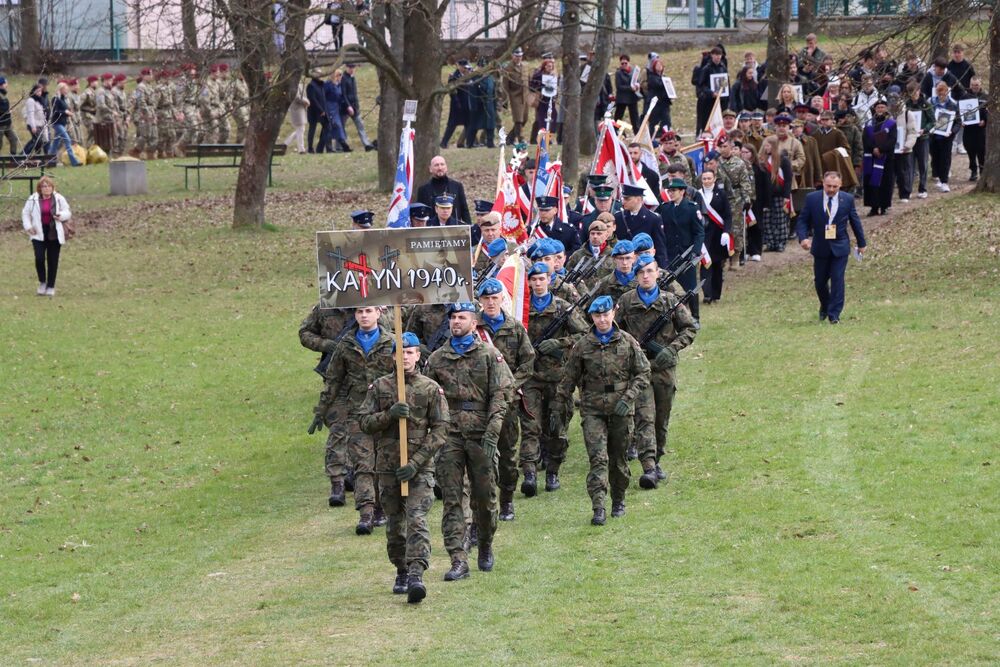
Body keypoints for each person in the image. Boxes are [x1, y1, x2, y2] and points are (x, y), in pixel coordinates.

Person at [424, 303, 513, 581]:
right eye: (452, 318)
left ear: (474, 323)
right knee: (452, 499)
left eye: (462, 317)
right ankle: (458, 558)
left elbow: (502, 393)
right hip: (449, 434)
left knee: (484, 497)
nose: (456, 322)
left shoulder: (489, 355)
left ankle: (485, 543)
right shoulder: (438, 358)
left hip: (481, 433)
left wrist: (493, 429)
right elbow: (426, 395)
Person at [359, 332, 448, 604]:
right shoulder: (381, 387)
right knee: (395, 524)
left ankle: (416, 574)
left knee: (417, 519)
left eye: (410, 352)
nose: (405, 357)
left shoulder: (430, 388)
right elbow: (364, 422)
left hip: (419, 469)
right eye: (401, 352)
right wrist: (389, 415)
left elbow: (441, 429)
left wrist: (417, 462)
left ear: (418, 355)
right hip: (388, 469)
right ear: (393, 356)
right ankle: (400, 567)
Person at [554, 295, 649, 525]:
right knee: (598, 459)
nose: (602, 319)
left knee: (618, 459)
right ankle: (598, 506)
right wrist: (558, 407)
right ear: (592, 317)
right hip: (592, 408)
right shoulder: (583, 346)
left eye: (606, 314)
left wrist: (629, 397)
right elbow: (568, 379)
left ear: (613, 313)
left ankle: (618, 498)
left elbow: (643, 373)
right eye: (597, 316)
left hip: (620, 408)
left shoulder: (627, 342)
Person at [616, 254, 696, 488]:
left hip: (664, 370)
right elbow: (615, 332)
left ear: (658, 273)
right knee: (644, 417)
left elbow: (689, 329)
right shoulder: (627, 301)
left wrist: (671, 349)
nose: (646, 276)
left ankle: (657, 457)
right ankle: (648, 466)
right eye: (641, 272)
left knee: (661, 419)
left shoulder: (670, 301)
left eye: (650, 271)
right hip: (639, 371)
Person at [312, 306, 394, 534]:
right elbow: (334, 380)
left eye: (368, 311)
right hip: (358, 412)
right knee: (362, 464)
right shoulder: (346, 345)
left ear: (379, 313)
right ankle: (366, 512)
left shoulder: (392, 344)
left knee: (384, 463)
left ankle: (382, 506)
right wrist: (322, 409)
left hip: (386, 412)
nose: (364, 316)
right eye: (359, 312)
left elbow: (405, 378)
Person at [521, 263, 588, 495]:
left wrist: (559, 344)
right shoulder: (522, 309)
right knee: (530, 427)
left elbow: (583, 334)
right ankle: (529, 473)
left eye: (542, 279)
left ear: (549, 280)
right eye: (534, 279)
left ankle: (552, 471)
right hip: (531, 377)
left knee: (556, 427)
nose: (538, 283)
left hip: (559, 378)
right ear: (528, 282)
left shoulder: (563, 308)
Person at [476, 279, 535, 522]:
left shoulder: (514, 327)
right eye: (486, 298)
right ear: (480, 301)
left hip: (507, 401)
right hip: (479, 401)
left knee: (508, 453)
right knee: (480, 454)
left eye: (494, 298)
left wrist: (511, 387)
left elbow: (528, 362)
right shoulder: (473, 326)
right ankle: (484, 503)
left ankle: (507, 500)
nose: (490, 302)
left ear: (502, 298)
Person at [796, 171, 866, 324]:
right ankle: (825, 305)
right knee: (820, 282)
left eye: (835, 186)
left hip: (840, 246)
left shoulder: (847, 199)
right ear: (823, 183)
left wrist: (862, 243)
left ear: (840, 186)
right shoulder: (812, 198)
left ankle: (834, 315)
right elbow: (802, 221)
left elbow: (855, 221)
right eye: (828, 186)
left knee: (837, 279)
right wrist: (803, 238)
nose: (832, 189)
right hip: (820, 246)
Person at [658, 178, 705, 321]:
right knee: (670, 285)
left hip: (687, 253)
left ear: (682, 191)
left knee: (690, 286)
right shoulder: (665, 208)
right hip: (671, 253)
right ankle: (673, 315)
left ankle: (695, 316)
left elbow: (699, 232)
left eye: (674, 191)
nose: (671, 193)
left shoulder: (691, 208)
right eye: (669, 191)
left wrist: (695, 251)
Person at [22, 177, 72, 297]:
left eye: (49, 186)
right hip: (38, 233)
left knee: (52, 260)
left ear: (52, 187)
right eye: (44, 186)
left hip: (54, 233)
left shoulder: (59, 198)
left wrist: (61, 215)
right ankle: (42, 283)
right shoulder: (33, 199)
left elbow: (68, 212)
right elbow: (25, 213)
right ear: (40, 188)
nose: (47, 188)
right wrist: (28, 226)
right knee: (39, 259)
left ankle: (50, 286)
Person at [698, 169, 732, 305]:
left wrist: (726, 232)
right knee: (705, 264)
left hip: (718, 234)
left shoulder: (721, 194)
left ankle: (716, 294)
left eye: (709, 178)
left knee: (717, 265)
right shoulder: (697, 194)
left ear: (714, 179)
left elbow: (728, 215)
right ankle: (707, 294)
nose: (706, 181)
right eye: (704, 178)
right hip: (704, 235)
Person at [614, 183, 668, 267]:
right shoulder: (619, 217)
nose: (623, 201)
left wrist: (662, 269)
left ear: (639, 199)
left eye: (627, 199)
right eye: (623, 198)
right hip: (625, 265)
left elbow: (660, 247)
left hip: (644, 265)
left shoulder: (653, 219)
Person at [862, 98, 897, 216]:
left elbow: (892, 140)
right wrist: (873, 149)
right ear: (875, 109)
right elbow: (865, 139)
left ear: (886, 109)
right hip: (871, 157)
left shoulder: (891, 124)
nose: (880, 109)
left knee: (885, 182)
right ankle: (873, 207)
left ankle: (884, 206)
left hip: (885, 158)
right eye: (878, 107)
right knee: (872, 183)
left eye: (882, 107)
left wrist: (881, 149)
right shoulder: (869, 124)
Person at [759, 136, 793, 252]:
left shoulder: (783, 160)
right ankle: (770, 242)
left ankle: (780, 242)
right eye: (765, 145)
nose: (765, 148)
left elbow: (788, 179)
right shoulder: (763, 160)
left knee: (780, 219)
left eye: (768, 145)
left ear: (774, 146)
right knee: (767, 220)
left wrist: (786, 196)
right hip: (766, 196)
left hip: (779, 195)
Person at [416, 155, 471, 224]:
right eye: (436, 165)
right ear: (430, 169)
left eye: (442, 164)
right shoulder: (423, 190)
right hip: (431, 230)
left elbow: (464, 210)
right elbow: (421, 215)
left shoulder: (457, 186)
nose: (440, 168)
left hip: (454, 229)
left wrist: (470, 229)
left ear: (446, 167)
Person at [929, 81, 958, 193]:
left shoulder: (953, 104)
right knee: (935, 158)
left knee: (945, 158)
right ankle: (938, 177)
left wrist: (952, 131)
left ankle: (944, 181)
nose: (941, 95)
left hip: (946, 137)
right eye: (939, 93)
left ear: (947, 92)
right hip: (934, 136)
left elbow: (958, 122)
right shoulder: (931, 103)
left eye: (944, 93)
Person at [340, 62, 375, 151]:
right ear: (346, 67)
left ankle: (367, 144)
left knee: (360, 125)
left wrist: (356, 106)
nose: (352, 69)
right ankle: (340, 146)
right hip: (345, 108)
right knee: (341, 127)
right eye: (350, 67)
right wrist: (348, 106)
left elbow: (354, 94)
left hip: (355, 107)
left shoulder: (353, 78)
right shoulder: (343, 78)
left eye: (353, 68)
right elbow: (343, 94)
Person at [48, 82, 82, 166]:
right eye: (65, 89)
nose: (67, 90)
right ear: (61, 89)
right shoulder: (55, 99)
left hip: (62, 124)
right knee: (67, 139)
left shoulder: (63, 99)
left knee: (55, 143)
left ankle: (48, 160)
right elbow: (55, 111)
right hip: (57, 123)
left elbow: (65, 108)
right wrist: (65, 112)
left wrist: (68, 111)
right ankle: (74, 161)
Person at [696, 46, 728, 133]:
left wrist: (724, 93)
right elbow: (701, 85)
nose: (718, 57)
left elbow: (725, 82)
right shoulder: (707, 68)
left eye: (719, 55)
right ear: (712, 56)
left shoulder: (723, 67)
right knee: (708, 120)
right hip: (708, 100)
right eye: (716, 55)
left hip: (721, 99)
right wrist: (711, 93)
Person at [961, 77, 988, 181]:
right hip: (968, 129)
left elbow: (990, 112)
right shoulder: (965, 96)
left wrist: (985, 121)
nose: (974, 87)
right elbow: (960, 112)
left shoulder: (986, 97)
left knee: (981, 151)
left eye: (976, 85)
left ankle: (982, 171)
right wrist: (962, 121)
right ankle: (973, 171)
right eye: (972, 85)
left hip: (981, 129)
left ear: (980, 84)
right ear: (970, 84)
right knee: (970, 151)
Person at [501, 47, 529, 142]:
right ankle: (521, 138)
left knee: (524, 119)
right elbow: (505, 86)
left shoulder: (525, 66)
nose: (518, 58)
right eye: (516, 56)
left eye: (520, 56)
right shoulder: (508, 68)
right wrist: (505, 100)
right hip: (515, 96)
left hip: (525, 96)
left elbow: (528, 81)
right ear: (512, 56)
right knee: (518, 120)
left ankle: (510, 138)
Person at [529, 54, 559, 142]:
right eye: (549, 66)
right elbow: (531, 85)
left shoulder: (554, 75)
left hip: (551, 100)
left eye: (552, 66)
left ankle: (548, 137)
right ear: (545, 66)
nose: (550, 68)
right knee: (542, 119)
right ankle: (543, 137)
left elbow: (555, 86)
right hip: (542, 100)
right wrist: (540, 87)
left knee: (552, 117)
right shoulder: (539, 75)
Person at [642, 56, 672, 135]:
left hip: (664, 104)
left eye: (660, 65)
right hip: (656, 104)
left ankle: (665, 134)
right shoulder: (652, 77)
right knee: (655, 122)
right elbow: (658, 84)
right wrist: (665, 81)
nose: (659, 66)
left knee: (666, 121)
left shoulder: (664, 77)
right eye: (657, 65)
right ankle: (654, 137)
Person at [323, 69, 351, 153]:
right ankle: (331, 147)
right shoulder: (328, 85)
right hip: (329, 106)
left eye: (341, 75)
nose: (341, 76)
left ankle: (342, 144)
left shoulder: (338, 85)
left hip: (336, 107)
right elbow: (323, 96)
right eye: (339, 75)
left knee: (338, 126)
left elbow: (341, 96)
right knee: (333, 126)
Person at [283, 76, 309, 154]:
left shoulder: (299, 83)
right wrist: (306, 101)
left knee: (300, 129)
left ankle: (286, 143)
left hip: (301, 109)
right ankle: (301, 149)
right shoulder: (293, 85)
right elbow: (297, 97)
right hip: (297, 109)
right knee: (300, 129)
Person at [614, 54, 641, 131]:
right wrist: (630, 88)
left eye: (625, 63)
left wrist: (637, 85)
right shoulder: (618, 73)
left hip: (632, 98)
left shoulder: (633, 71)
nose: (624, 65)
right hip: (622, 98)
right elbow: (619, 86)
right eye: (622, 63)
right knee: (618, 117)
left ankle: (637, 133)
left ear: (628, 63)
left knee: (635, 117)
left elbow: (636, 80)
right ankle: (615, 132)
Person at [23, 84, 49, 155]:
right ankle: (24, 154)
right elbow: (30, 114)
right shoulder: (31, 100)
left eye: (40, 91)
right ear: (33, 91)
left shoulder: (40, 100)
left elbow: (42, 114)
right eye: (37, 91)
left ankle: (37, 156)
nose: (39, 93)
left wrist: (45, 124)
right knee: (37, 140)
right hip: (33, 124)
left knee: (38, 141)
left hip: (41, 124)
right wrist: (33, 126)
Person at [306, 71, 328, 153]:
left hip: (322, 110)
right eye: (318, 73)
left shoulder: (321, 84)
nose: (320, 75)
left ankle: (320, 147)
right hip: (314, 112)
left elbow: (323, 98)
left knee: (327, 126)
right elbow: (313, 100)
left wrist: (324, 109)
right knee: (312, 129)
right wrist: (320, 110)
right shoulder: (311, 86)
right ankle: (310, 148)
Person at [0, 76, 21, 154]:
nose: (7, 85)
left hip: (7, 124)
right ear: (1, 84)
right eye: (6, 83)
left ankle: (13, 159)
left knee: (14, 139)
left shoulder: (4, 95)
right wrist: (7, 111)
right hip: (1, 124)